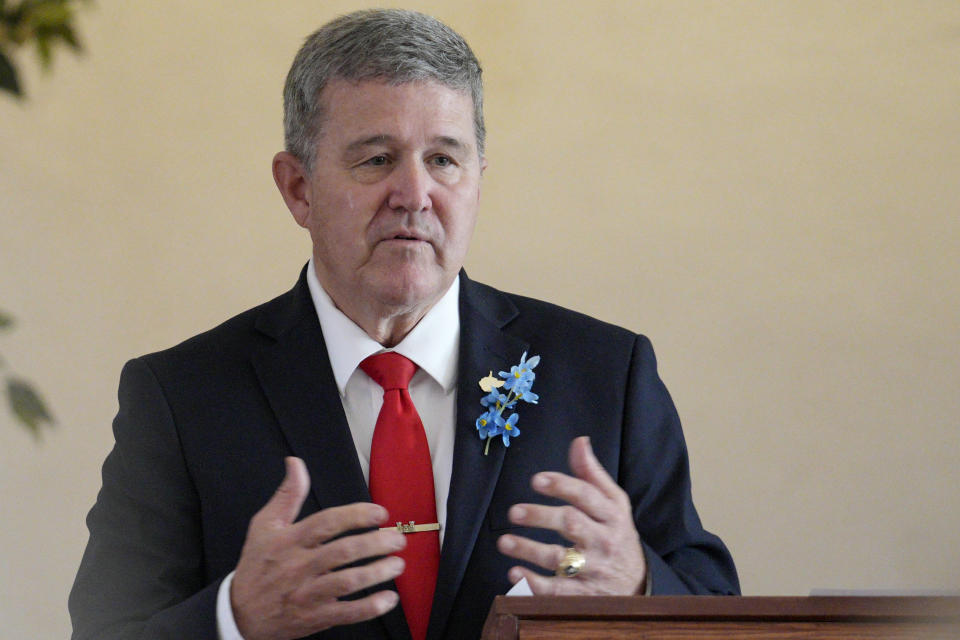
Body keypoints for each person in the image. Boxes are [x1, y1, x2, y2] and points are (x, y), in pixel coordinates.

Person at [69, 9, 739, 640]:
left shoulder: (604, 376)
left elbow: (722, 615)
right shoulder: (182, 397)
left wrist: (642, 586)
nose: (414, 195)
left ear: (479, 177)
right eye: (376, 159)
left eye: (444, 159)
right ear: (297, 188)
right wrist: (236, 617)